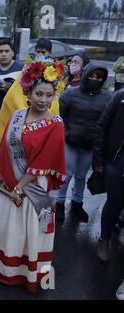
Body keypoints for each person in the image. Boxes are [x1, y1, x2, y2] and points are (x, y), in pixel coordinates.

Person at [0, 58, 67, 293]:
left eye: (48, 95)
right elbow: (4, 151)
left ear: (54, 96)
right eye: (39, 94)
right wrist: (1, 176)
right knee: (6, 227)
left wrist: (20, 186)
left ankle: (25, 272)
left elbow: (45, 161)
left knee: (26, 229)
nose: (43, 100)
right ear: (28, 93)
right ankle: (2, 268)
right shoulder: (17, 116)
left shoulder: (55, 124)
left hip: (32, 185)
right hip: (11, 180)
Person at [55, 63, 112, 222]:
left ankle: (77, 204)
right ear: (86, 74)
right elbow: (58, 117)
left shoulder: (108, 98)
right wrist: (66, 133)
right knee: (66, 174)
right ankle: (59, 204)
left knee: (81, 176)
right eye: (92, 75)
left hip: (90, 146)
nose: (95, 79)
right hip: (70, 142)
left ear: (103, 79)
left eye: (99, 77)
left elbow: (107, 123)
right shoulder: (70, 94)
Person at [0, 38, 59, 146]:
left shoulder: (53, 72)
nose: (40, 54)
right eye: (38, 51)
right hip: (23, 115)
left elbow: (53, 98)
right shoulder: (28, 68)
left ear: (50, 53)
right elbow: (16, 92)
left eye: (43, 52)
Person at [93, 89, 124, 263]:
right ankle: (104, 239)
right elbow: (102, 126)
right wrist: (98, 160)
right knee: (114, 203)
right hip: (116, 160)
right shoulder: (120, 97)